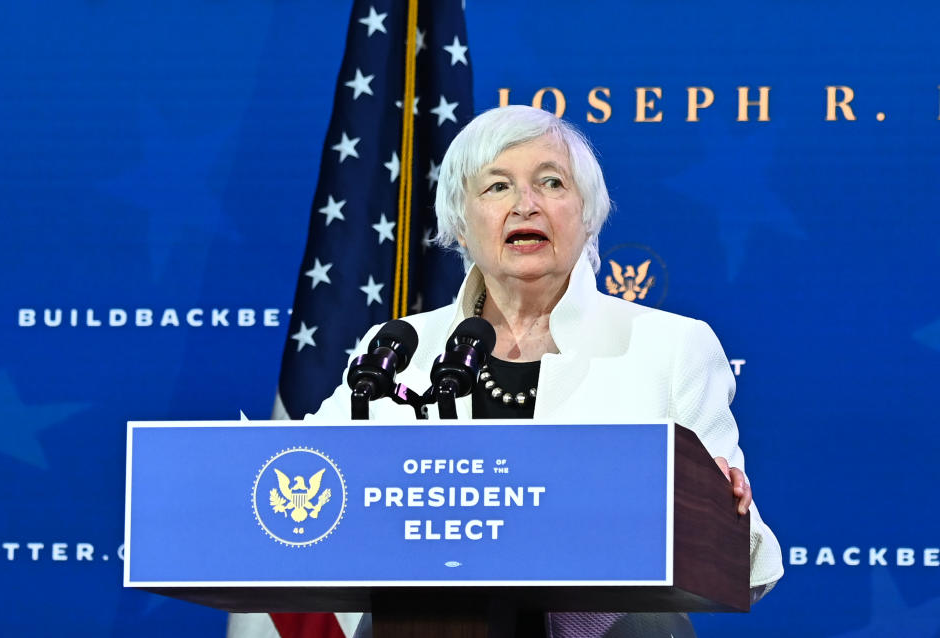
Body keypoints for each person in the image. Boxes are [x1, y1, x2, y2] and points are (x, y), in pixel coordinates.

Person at [310, 105, 783, 637]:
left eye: (551, 183)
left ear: (587, 216)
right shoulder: (398, 349)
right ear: (461, 226)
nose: (525, 205)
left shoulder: (670, 347)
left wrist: (721, 513)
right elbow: (314, 482)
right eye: (496, 188)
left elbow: (748, 565)